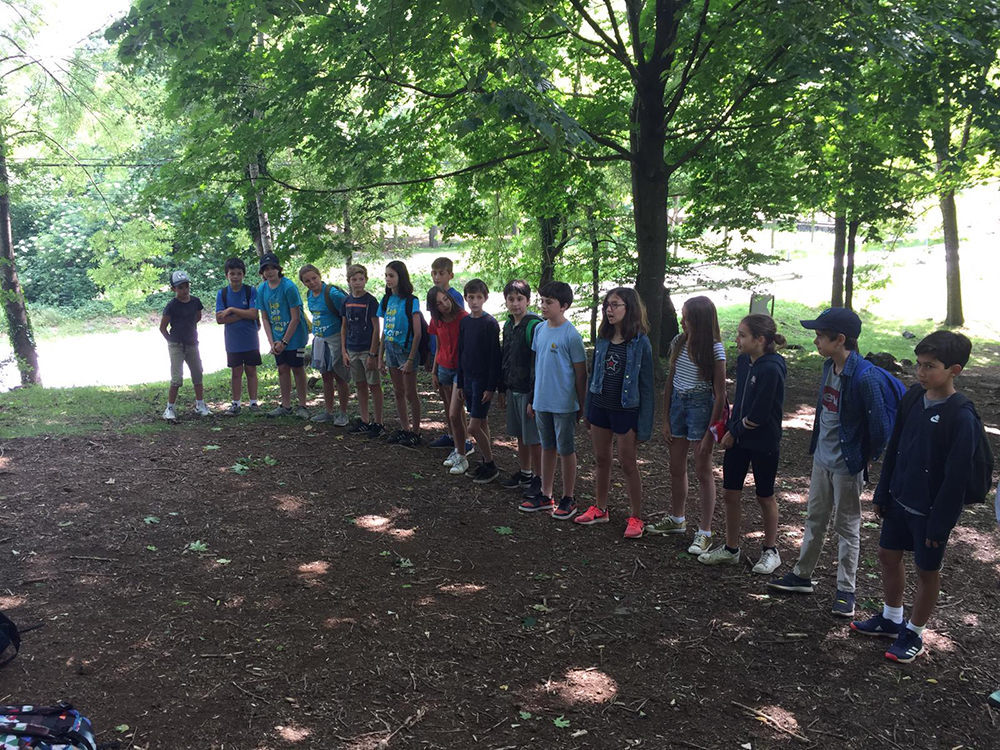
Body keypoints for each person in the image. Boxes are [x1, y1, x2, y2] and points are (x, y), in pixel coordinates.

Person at [850, 331, 978, 664]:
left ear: (954, 370)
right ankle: (891, 618)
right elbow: (895, 447)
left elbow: (957, 477)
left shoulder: (961, 415)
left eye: (930, 366)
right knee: (887, 555)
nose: (920, 372)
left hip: (930, 511)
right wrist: (883, 491)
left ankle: (914, 632)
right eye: (919, 364)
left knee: (926, 570)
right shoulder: (912, 397)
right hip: (900, 498)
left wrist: (940, 524)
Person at [768, 308, 894, 617]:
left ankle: (846, 591)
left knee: (847, 526)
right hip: (822, 459)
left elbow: (880, 427)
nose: (815, 341)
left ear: (840, 339)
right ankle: (802, 575)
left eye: (820, 336)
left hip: (847, 464)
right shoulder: (829, 366)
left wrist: (867, 457)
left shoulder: (865, 376)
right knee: (815, 517)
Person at [700, 314, 786, 574]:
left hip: (763, 441)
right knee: (730, 492)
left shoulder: (772, 368)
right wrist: (730, 427)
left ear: (760, 340)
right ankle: (731, 548)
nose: (736, 339)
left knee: (764, 495)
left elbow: (760, 413)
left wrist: (734, 432)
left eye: (742, 335)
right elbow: (743, 401)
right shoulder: (743, 361)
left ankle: (770, 551)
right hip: (738, 437)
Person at [648, 296, 727, 554]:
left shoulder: (715, 349)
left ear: (699, 320)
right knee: (675, 467)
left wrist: (710, 434)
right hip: (678, 407)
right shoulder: (679, 342)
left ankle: (705, 532)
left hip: (701, 408)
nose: (682, 320)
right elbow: (670, 382)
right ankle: (677, 518)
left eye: (686, 316)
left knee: (703, 470)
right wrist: (665, 419)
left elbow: (720, 394)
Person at [575, 287, 654, 539]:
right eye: (607, 305)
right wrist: (588, 409)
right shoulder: (603, 338)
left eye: (615, 305)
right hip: (600, 407)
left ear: (629, 308)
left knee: (628, 463)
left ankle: (636, 516)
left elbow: (647, 386)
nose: (609, 310)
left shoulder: (640, 342)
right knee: (601, 459)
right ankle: (600, 508)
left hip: (626, 410)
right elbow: (593, 376)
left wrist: (645, 425)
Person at [519, 281, 587, 519]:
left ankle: (568, 498)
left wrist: (581, 405)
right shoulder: (539, 330)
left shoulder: (571, 335)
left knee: (566, 449)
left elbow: (581, 374)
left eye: (549, 302)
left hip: (564, 404)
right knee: (547, 447)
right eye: (542, 301)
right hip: (542, 401)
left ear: (564, 306)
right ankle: (546, 495)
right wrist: (532, 398)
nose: (543, 306)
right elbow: (537, 367)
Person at [497, 280, 543, 496]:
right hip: (513, 387)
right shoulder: (508, 325)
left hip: (528, 390)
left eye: (519, 299)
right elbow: (505, 357)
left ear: (528, 301)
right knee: (520, 435)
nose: (515, 303)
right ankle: (526, 473)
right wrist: (502, 388)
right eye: (511, 299)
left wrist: (534, 397)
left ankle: (540, 479)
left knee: (534, 438)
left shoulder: (534, 326)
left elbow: (537, 363)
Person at [455, 279, 501, 482]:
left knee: (473, 427)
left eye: (478, 297)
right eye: (471, 297)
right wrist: (460, 382)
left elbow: (494, 358)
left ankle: (490, 464)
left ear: (485, 298)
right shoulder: (465, 322)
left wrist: (491, 387)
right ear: (465, 298)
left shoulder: (489, 323)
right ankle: (485, 460)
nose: (474, 301)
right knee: (481, 422)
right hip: (468, 378)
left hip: (482, 381)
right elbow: (461, 353)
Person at [256, 253, 309, 418]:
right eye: (266, 269)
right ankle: (286, 406)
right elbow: (265, 318)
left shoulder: (288, 287)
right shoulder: (261, 289)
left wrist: (284, 342)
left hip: (295, 336)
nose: (270, 271)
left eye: (273, 268)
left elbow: (295, 317)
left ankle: (302, 406)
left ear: (279, 269)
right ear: (262, 272)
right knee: (282, 369)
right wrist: (272, 342)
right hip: (277, 337)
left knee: (297, 369)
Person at [299, 264, 352, 425]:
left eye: (314, 278)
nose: (312, 282)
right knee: (326, 376)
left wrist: (345, 343)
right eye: (307, 281)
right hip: (320, 340)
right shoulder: (309, 294)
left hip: (336, 339)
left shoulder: (332, 294)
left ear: (319, 276)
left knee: (340, 376)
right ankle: (328, 412)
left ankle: (343, 413)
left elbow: (347, 314)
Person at [378, 260, 423, 446]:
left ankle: (416, 431)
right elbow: (384, 330)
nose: (388, 279)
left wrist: (411, 359)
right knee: (398, 391)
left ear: (401, 277)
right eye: (386, 276)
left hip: (406, 351)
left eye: (391, 275)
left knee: (410, 393)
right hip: (390, 350)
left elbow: (418, 333)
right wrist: (379, 357)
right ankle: (405, 428)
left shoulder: (411, 301)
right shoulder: (387, 299)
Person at [427, 256, 469, 451]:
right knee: (446, 401)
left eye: (441, 273)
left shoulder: (455, 299)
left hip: (456, 363)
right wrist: (434, 367)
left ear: (450, 275)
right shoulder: (433, 300)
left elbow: (461, 330)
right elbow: (437, 336)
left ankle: (464, 440)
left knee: (456, 406)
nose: (437, 277)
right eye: (434, 273)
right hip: (442, 360)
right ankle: (453, 436)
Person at [429, 288, 471, 473]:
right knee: (451, 410)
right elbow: (438, 345)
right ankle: (459, 446)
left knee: (455, 413)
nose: (444, 304)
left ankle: (463, 452)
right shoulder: (436, 320)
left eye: (445, 299)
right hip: (443, 367)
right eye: (439, 303)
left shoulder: (463, 318)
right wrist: (434, 371)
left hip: (459, 370)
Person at [340, 264, 384, 436]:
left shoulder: (371, 301)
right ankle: (365, 420)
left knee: (374, 384)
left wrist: (373, 353)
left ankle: (378, 422)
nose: (358, 283)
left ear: (366, 280)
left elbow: (376, 328)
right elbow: (344, 326)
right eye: (354, 279)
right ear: (349, 281)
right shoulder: (346, 301)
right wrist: (344, 350)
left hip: (367, 349)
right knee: (360, 384)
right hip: (352, 348)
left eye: (361, 279)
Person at [160, 270, 211, 420]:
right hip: (176, 344)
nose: (184, 290)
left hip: (192, 343)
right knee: (177, 378)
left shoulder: (195, 302)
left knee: (197, 373)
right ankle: (170, 408)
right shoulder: (171, 305)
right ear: (173, 289)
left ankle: (200, 404)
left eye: (186, 286)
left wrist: (189, 329)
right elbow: (163, 327)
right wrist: (171, 341)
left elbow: (197, 317)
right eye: (180, 287)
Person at [215, 258, 261, 415]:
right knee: (236, 372)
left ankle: (253, 403)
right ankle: (236, 404)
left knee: (251, 370)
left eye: (239, 273)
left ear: (243, 274)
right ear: (226, 275)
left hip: (250, 340)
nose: (235, 277)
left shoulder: (250, 291)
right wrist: (243, 314)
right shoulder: (222, 294)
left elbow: (254, 314)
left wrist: (232, 310)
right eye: (232, 274)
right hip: (233, 341)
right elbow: (220, 319)